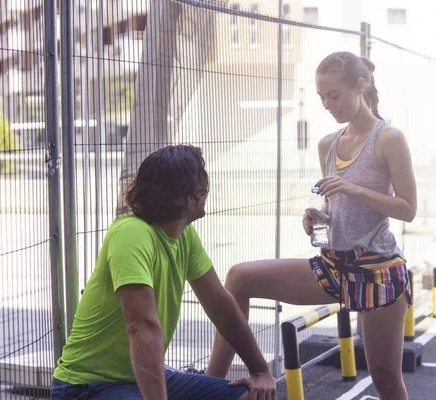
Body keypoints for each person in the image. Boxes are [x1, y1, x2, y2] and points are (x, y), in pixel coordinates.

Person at [206, 51, 417, 400]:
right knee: (239, 277)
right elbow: (336, 205)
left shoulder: (389, 138)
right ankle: (210, 388)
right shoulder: (328, 144)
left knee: (386, 380)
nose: (327, 105)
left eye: (334, 96)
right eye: (321, 97)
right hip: (334, 264)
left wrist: (353, 188)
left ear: (359, 87)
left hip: (376, 270)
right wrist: (318, 216)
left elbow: (408, 209)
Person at [51, 145, 277, 400]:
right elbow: (142, 326)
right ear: (189, 197)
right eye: (202, 178)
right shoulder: (131, 234)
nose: (207, 187)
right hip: (89, 385)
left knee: (255, 396)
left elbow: (220, 305)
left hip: (144, 376)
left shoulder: (183, 236)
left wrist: (259, 370)